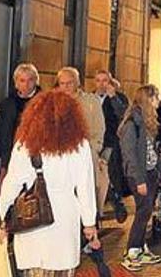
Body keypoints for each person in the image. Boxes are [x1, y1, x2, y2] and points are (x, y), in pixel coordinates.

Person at [0, 90, 98, 277]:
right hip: (64, 219)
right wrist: (89, 223)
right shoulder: (79, 145)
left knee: (31, 269)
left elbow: (11, 184)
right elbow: (85, 186)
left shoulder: (25, 144)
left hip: (31, 218)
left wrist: (5, 218)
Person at [118, 85, 161, 271]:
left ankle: (140, 247)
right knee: (143, 212)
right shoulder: (132, 124)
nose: (158, 101)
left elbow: (151, 151)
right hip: (140, 175)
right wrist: (139, 180)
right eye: (156, 97)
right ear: (148, 99)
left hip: (150, 172)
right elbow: (129, 155)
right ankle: (132, 251)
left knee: (146, 211)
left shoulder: (145, 121)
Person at [57, 67, 107, 223]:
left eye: (69, 83)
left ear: (77, 83)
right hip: (59, 156)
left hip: (84, 153)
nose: (66, 87)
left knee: (85, 191)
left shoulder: (90, 102)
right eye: (62, 83)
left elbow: (99, 128)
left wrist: (94, 148)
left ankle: (89, 225)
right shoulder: (52, 103)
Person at [0, 63, 40, 183]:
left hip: (34, 156)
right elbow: (1, 129)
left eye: (30, 80)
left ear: (36, 81)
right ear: (16, 83)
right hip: (9, 154)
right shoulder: (8, 103)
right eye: (22, 80)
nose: (26, 84)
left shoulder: (43, 102)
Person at [94, 70, 129, 224]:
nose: (101, 84)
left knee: (109, 172)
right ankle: (102, 204)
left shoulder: (118, 98)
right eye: (98, 80)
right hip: (93, 142)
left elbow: (123, 114)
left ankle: (116, 199)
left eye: (105, 81)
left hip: (110, 142)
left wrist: (113, 97)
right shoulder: (90, 98)